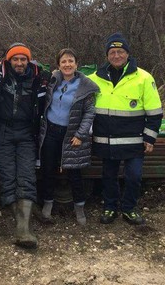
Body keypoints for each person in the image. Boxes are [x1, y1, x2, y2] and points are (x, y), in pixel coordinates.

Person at [89, 33, 163, 225]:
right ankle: (110, 207)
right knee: (108, 177)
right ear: (107, 55)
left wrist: (150, 138)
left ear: (128, 54)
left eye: (120, 51)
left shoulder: (144, 78)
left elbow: (155, 112)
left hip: (134, 141)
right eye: (112, 52)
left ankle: (129, 208)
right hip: (106, 140)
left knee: (134, 177)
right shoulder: (94, 79)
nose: (116, 55)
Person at [0, 42, 49, 248]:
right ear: (8, 60)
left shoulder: (39, 78)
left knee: (27, 176)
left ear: (29, 61)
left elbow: (67, 75)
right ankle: (22, 227)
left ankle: (25, 228)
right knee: (8, 177)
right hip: (1, 132)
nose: (19, 63)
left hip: (27, 133)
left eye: (23, 59)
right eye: (15, 59)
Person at [38, 48, 99, 225]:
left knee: (74, 172)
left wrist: (80, 134)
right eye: (64, 61)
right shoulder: (52, 81)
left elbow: (89, 112)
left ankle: (79, 207)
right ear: (58, 65)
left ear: (76, 64)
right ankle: (48, 203)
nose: (67, 64)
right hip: (50, 132)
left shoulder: (84, 86)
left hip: (71, 134)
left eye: (71, 61)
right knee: (48, 170)